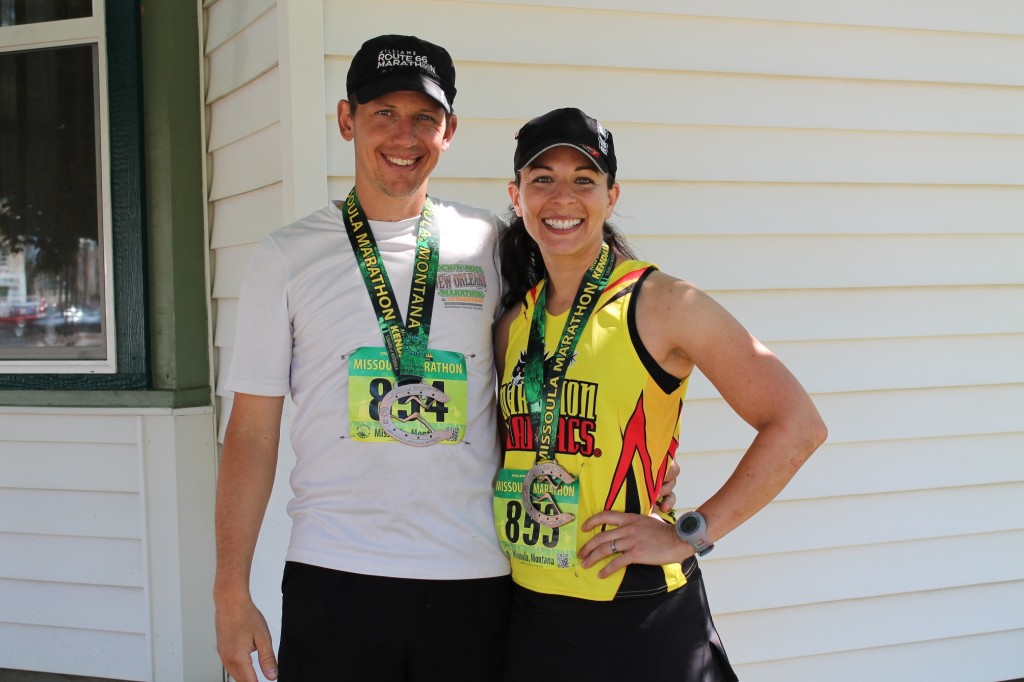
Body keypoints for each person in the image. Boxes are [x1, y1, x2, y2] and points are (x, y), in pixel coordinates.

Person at [493, 108, 828, 680]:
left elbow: (797, 425)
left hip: (638, 615)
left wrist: (688, 533)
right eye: (542, 178)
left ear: (612, 195)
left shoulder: (664, 303)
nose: (562, 197)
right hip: (530, 612)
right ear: (516, 194)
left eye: (584, 179)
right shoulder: (511, 324)